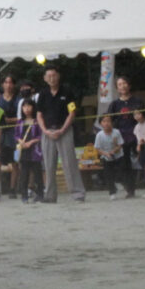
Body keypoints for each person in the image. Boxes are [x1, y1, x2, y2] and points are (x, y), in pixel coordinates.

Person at [36, 66, 86, 203]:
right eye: (49, 76)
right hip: (47, 131)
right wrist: (45, 130)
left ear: (58, 76)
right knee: (48, 164)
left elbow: (72, 112)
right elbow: (39, 114)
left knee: (69, 162)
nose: (52, 78)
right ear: (45, 78)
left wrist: (63, 129)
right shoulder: (43, 94)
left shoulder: (67, 91)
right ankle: (50, 195)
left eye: (54, 75)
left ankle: (78, 193)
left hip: (64, 130)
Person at [107, 76, 143, 197]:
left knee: (143, 160)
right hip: (121, 137)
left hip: (137, 135)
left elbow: (144, 117)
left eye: (125, 83)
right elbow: (109, 120)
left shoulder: (137, 101)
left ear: (129, 85)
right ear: (117, 88)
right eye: (120, 84)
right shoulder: (114, 104)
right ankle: (130, 189)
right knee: (124, 163)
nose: (123, 86)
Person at [15, 99, 43, 203]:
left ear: (33, 107)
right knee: (24, 174)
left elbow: (40, 135)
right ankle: (24, 195)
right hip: (24, 151)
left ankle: (40, 194)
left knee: (37, 173)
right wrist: (21, 141)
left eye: (29, 106)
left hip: (35, 151)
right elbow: (16, 135)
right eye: (24, 106)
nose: (26, 109)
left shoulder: (37, 121)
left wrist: (31, 142)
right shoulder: (20, 122)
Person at [0, 75, 21, 198]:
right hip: (0, 133)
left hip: (14, 133)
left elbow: (22, 117)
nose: (8, 85)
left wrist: (10, 120)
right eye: (6, 82)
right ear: (2, 84)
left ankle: (13, 189)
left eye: (10, 82)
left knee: (15, 162)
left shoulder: (18, 99)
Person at [94, 114, 125, 200]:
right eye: (104, 121)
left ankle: (118, 182)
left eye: (108, 121)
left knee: (120, 170)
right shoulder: (99, 135)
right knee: (109, 175)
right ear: (101, 123)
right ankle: (112, 193)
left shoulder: (116, 132)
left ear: (112, 122)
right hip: (106, 157)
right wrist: (105, 154)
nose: (106, 123)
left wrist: (114, 150)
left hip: (118, 156)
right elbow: (97, 148)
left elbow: (120, 144)